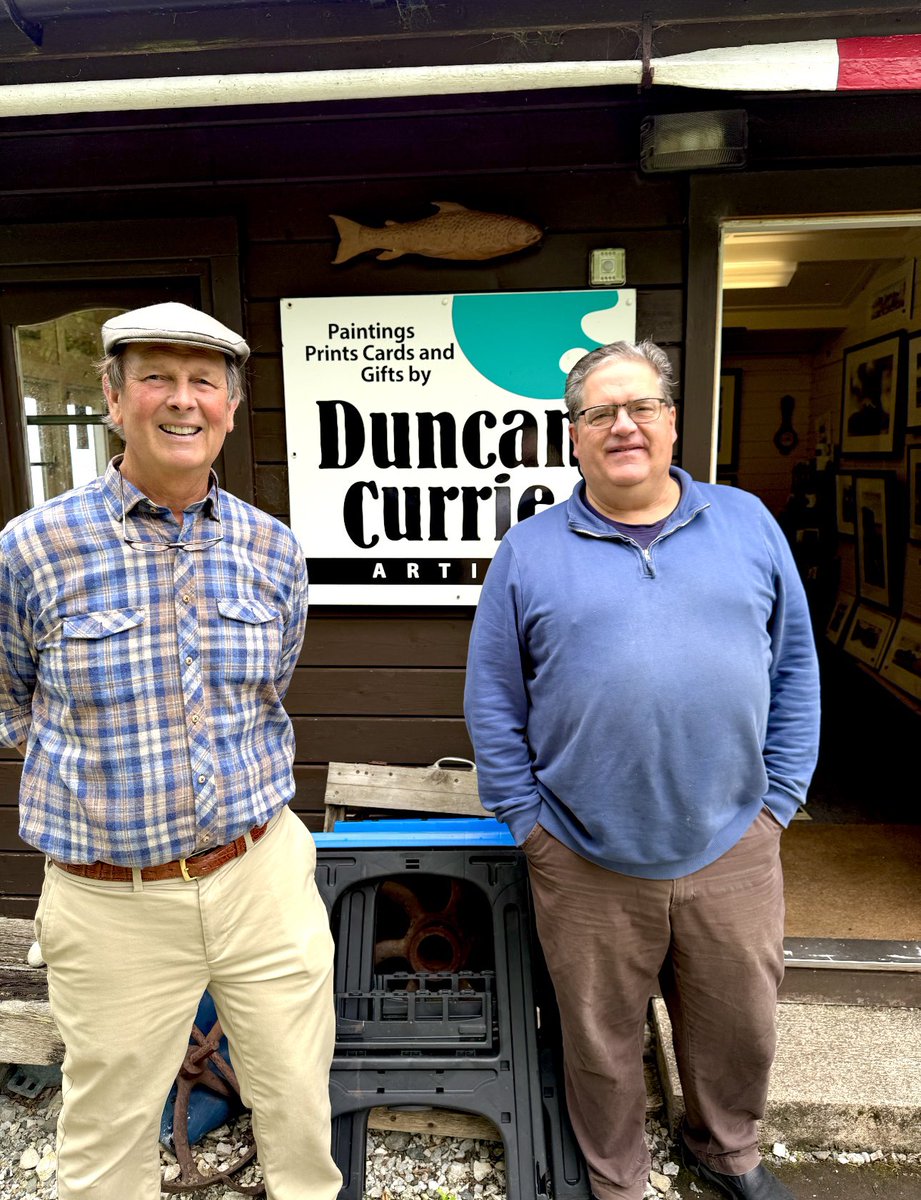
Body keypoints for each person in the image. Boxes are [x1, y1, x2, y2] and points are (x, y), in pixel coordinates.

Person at [0, 303, 341, 1200]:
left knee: (298, 1103)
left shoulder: (272, 550)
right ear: (114, 400)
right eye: (156, 378)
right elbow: (10, 701)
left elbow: (268, 687)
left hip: (261, 877)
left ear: (230, 407)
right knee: (107, 1131)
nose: (182, 400)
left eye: (203, 382)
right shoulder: (32, 549)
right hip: (111, 899)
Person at [464, 340, 819, 1200]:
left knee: (738, 1025)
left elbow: (795, 668)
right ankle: (616, 1176)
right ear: (573, 435)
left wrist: (777, 801)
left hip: (732, 840)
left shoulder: (746, 523)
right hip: (581, 850)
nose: (621, 426)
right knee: (599, 1036)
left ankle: (725, 1150)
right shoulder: (529, 550)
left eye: (640, 407)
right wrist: (529, 825)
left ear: (670, 421)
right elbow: (492, 698)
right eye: (599, 413)